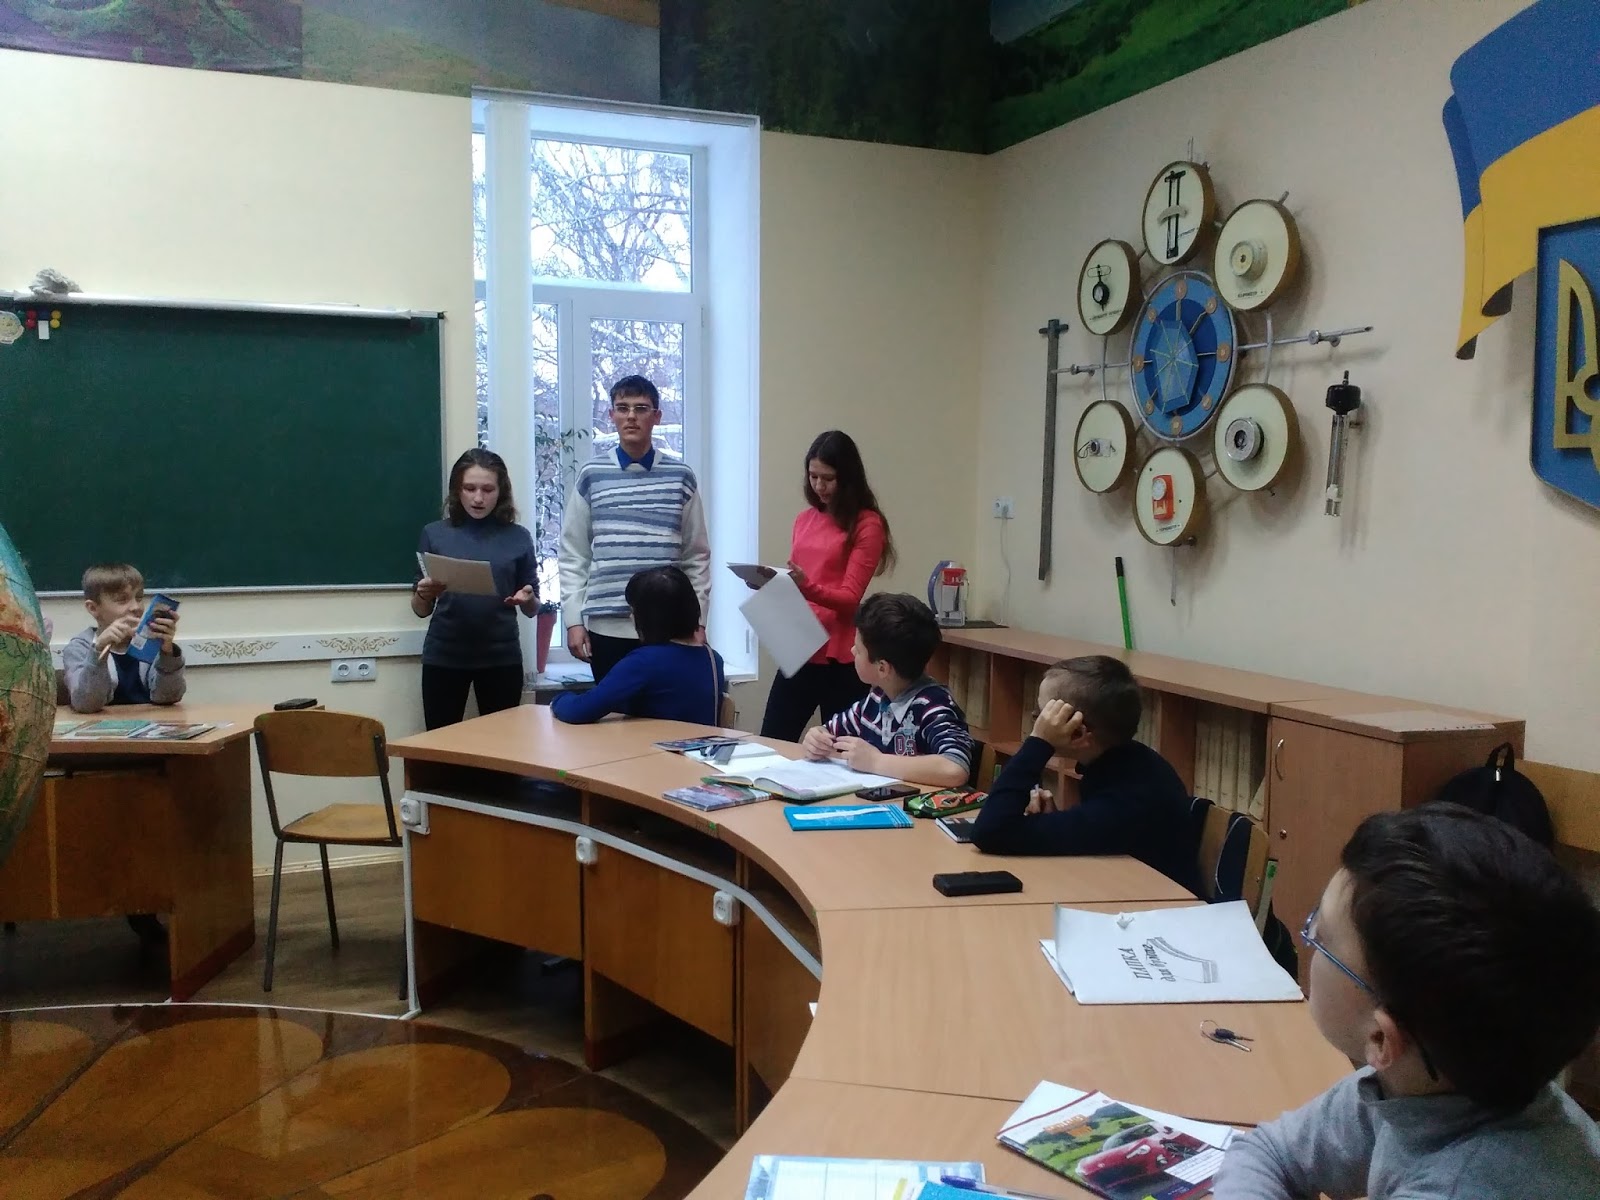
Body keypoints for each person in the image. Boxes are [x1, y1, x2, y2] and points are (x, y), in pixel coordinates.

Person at [1214, 804, 1600, 1199]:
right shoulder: (1427, 1086)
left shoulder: (1464, 1184)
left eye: (1322, 937)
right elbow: (1269, 1153)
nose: (1308, 936)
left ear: (1381, 1038)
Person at [970, 655, 1199, 893]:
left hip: (1161, 909)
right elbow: (1099, 836)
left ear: (1077, 733)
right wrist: (1053, 824)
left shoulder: (1132, 798)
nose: (1035, 723)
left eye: (1042, 717)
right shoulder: (1125, 764)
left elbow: (991, 832)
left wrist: (1039, 743)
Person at [559, 375, 711, 683]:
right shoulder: (592, 475)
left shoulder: (681, 476)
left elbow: (696, 556)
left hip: (669, 627)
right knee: (612, 711)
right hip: (607, 628)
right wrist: (574, 620)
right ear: (611, 415)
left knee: (665, 711)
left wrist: (698, 620)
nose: (631, 416)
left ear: (657, 416)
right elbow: (573, 553)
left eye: (641, 408)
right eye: (622, 408)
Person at [757, 430, 895, 741]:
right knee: (773, 739)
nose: (819, 486)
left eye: (828, 478)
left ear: (847, 478)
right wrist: (772, 584)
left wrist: (805, 586)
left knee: (840, 749)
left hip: (840, 656)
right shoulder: (805, 519)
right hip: (800, 646)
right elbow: (797, 582)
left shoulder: (867, 524)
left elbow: (850, 598)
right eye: (813, 476)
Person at [413, 448, 539, 730]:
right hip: (444, 655)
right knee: (440, 743)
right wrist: (423, 594)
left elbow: (533, 608)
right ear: (457, 490)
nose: (478, 498)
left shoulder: (518, 537)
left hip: (501, 657)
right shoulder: (434, 533)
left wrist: (527, 599)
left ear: (501, 491)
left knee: (500, 746)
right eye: (470, 489)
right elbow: (420, 610)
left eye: (488, 489)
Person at [800, 592, 970, 788]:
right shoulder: (876, 699)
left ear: (882, 668)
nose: (852, 651)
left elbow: (955, 769)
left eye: (858, 649)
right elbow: (829, 731)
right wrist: (817, 738)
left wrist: (876, 762)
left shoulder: (933, 706)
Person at [551, 566, 726, 725]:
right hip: (702, 747)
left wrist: (558, 700)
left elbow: (581, 710)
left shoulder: (644, 662)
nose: (631, 617)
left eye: (633, 610)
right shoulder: (712, 658)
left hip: (653, 748)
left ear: (649, 618)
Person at [63, 563, 185, 714]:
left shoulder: (150, 641)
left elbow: (168, 697)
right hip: (103, 726)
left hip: (150, 723)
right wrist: (99, 651)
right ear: (93, 608)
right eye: (122, 600)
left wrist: (168, 654)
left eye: (139, 598)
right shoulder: (78, 648)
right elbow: (87, 704)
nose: (136, 607)